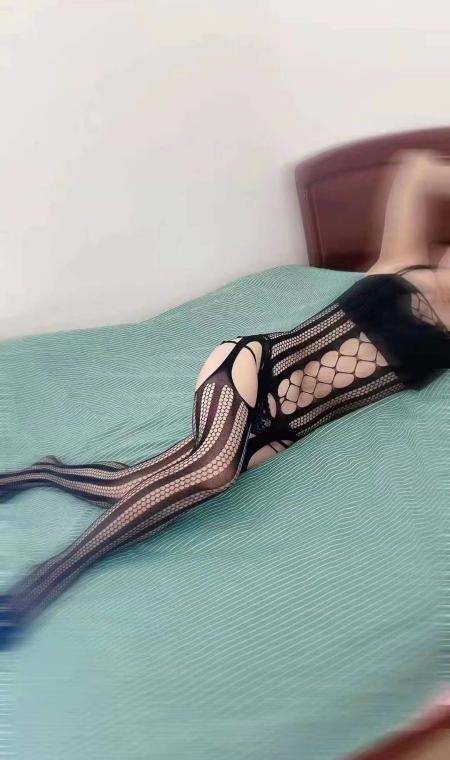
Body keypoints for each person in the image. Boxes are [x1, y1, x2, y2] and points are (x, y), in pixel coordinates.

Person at [1, 150, 449, 647]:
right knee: (213, 471)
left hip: (284, 432)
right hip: (253, 366)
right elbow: (418, 172)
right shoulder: (401, 262)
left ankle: (43, 472)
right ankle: (50, 576)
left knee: (136, 485)